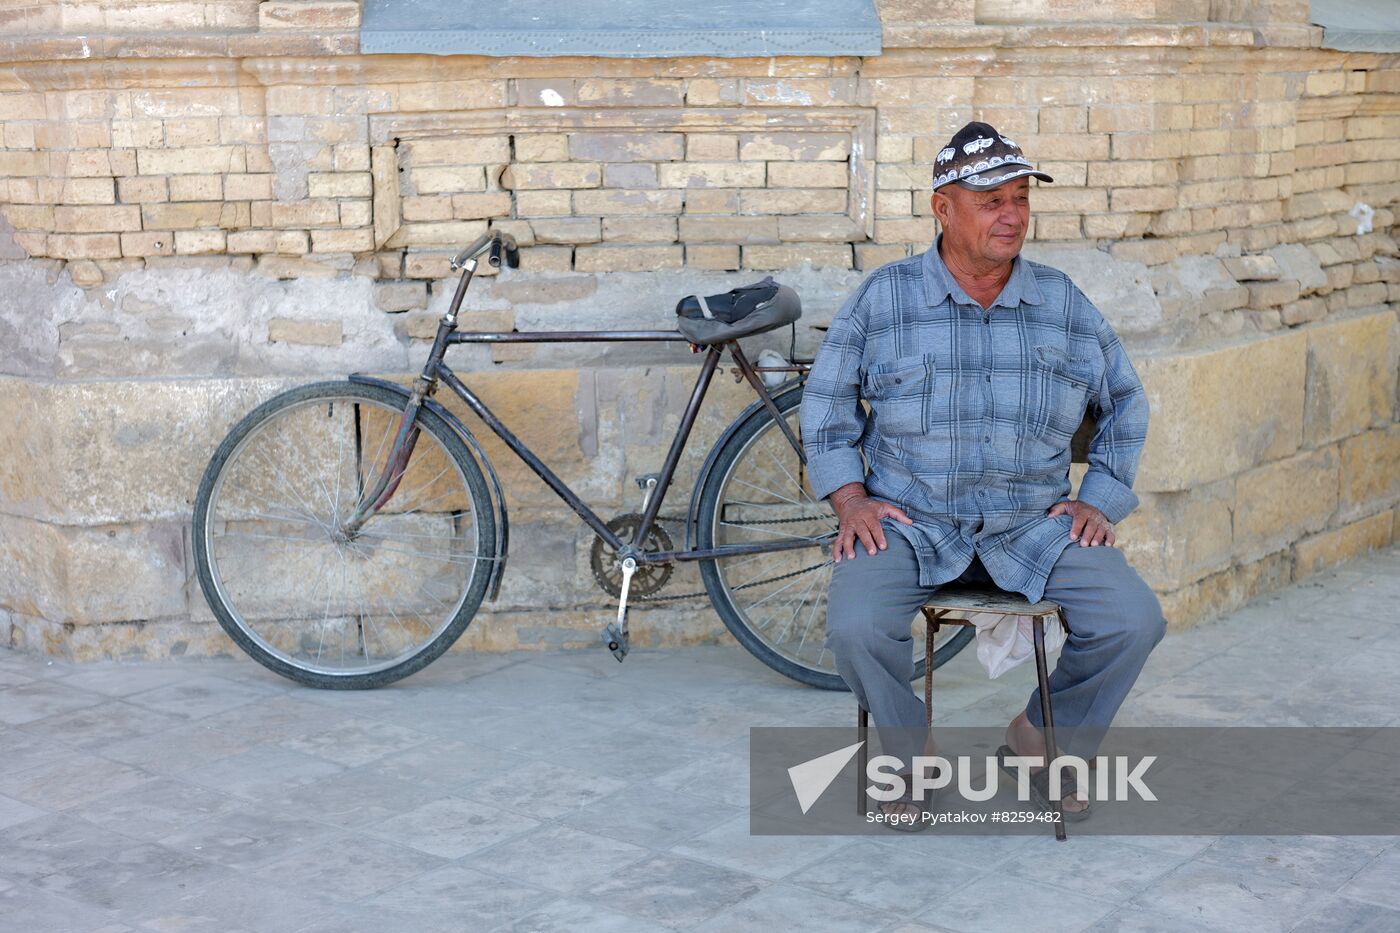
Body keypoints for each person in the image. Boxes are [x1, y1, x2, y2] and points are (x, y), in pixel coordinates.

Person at [800, 121, 1167, 823]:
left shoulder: (1061, 303)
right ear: (943, 208)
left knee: (1132, 619)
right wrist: (850, 498)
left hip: (1032, 524)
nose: (1012, 215)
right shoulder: (885, 299)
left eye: (1021, 199)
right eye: (992, 199)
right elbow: (825, 401)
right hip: (911, 524)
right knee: (854, 626)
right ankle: (912, 752)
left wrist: (1101, 497)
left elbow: (1124, 399)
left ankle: (1041, 734)